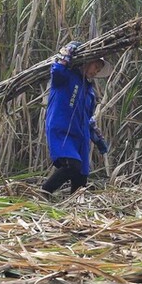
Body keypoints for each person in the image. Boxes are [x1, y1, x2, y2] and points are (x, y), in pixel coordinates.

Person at [42, 41, 110, 194]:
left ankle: (74, 212)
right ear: (86, 61)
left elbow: (87, 118)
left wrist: (98, 139)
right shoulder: (66, 77)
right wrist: (66, 55)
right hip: (62, 130)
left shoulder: (90, 92)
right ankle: (44, 193)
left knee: (81, 179)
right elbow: (57, 71)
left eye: (99, 70)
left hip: (80, 137)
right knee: (71, 166)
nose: (96, 72)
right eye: (95, 66)